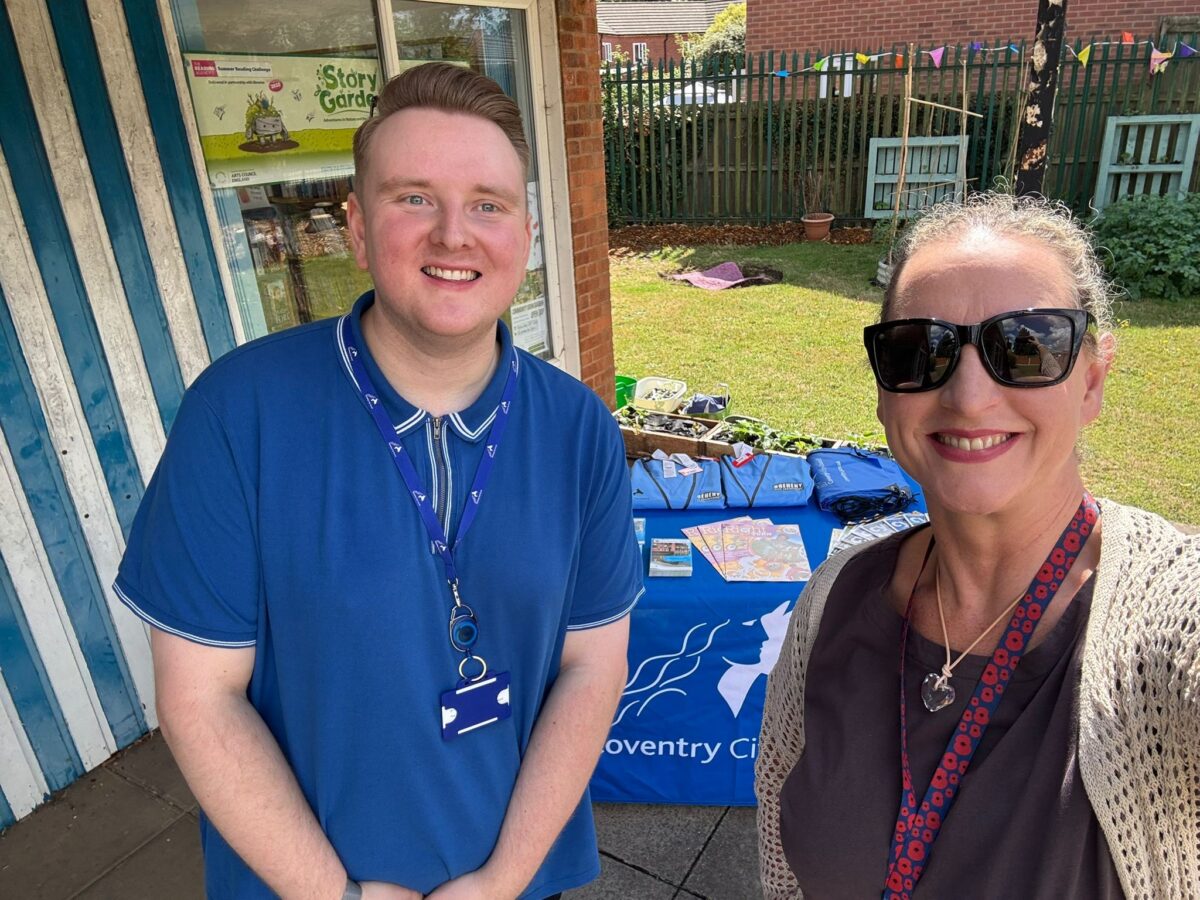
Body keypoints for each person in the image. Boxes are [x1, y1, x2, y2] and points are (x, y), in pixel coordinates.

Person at [114, 63, 642, 899]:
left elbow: (592, 666)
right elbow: (199, 697)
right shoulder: (239, 412)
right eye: (413, 198)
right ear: (358, 229)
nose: (453, 234)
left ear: (527, 235)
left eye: (488, 204)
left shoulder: (578, 428)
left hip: (518, 875)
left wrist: (502, 882)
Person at [755, 192, 1200, 899]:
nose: (968, 396)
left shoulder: (1173, 615)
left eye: (1026, 346)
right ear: (882, 390)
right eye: (918, 350)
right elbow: (784, 861)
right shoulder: (832, 600)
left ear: (1092, 379)